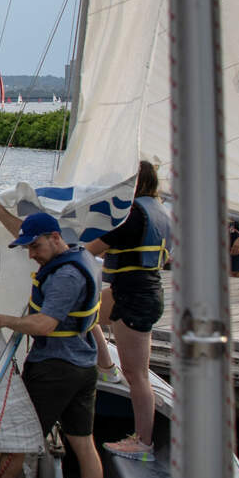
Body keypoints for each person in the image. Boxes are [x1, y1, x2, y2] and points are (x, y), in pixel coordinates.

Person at [0, 209, 105, 478]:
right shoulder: (81, 255)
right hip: (84, 364)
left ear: (55, 238)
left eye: (34, 247)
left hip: (55, 370)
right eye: (28, 247)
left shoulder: (66, 276)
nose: (31, 255)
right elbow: (27, 229)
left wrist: (4, 320)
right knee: (83, 443)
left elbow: (44, 325)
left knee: (17, 440)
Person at [84, 161, 169, 460]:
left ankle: (143, 442)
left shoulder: (133, 216)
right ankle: (106, 369)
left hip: (136, 298)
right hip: (136, 291)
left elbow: (92, 249)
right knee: (85, 311)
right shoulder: (157, 211)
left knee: (136, 375)